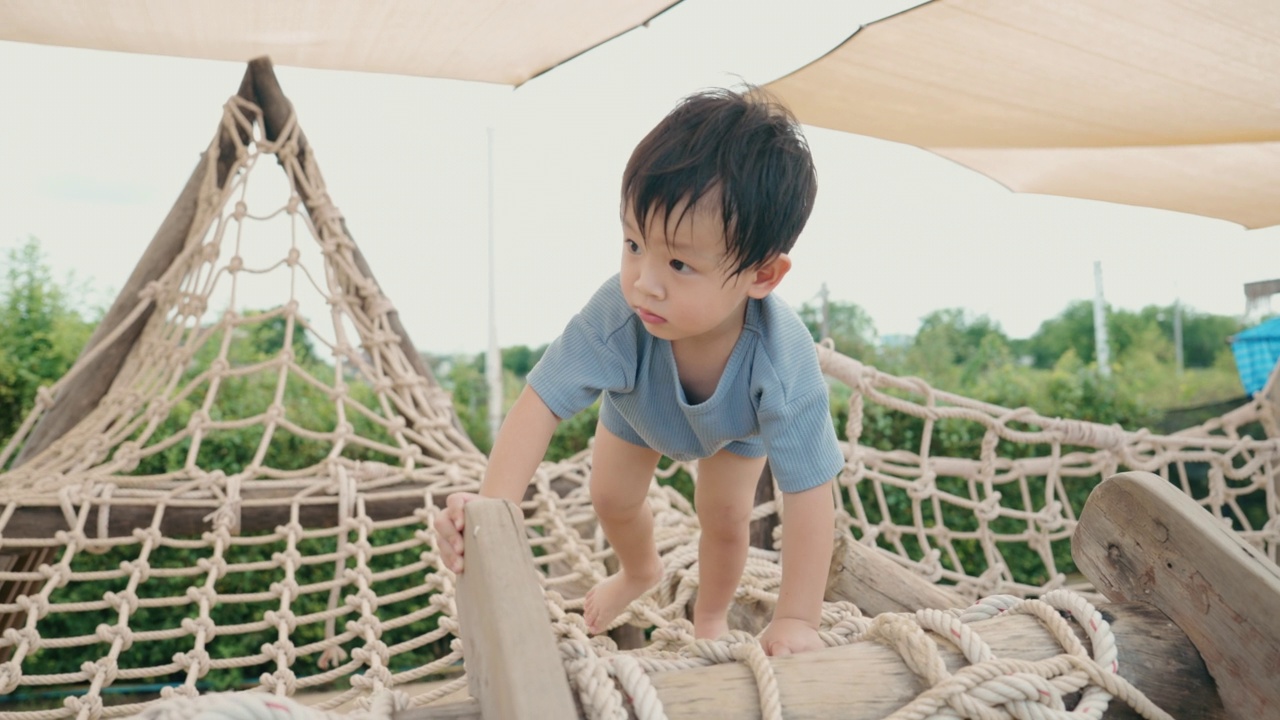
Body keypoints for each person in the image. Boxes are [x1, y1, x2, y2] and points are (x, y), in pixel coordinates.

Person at [435, 86, 844, 657]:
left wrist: (798, 618)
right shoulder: (617, 315)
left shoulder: (782, 358)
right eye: (632, 243)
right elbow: (540, 402)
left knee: (725, 520)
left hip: (734, 428)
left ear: (762, 276)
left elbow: (810, 491)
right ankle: (639, 570)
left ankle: (710, 617)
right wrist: (489, 511)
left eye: (678, 262)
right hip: (638, 410)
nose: (644, 281)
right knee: (611, 500)